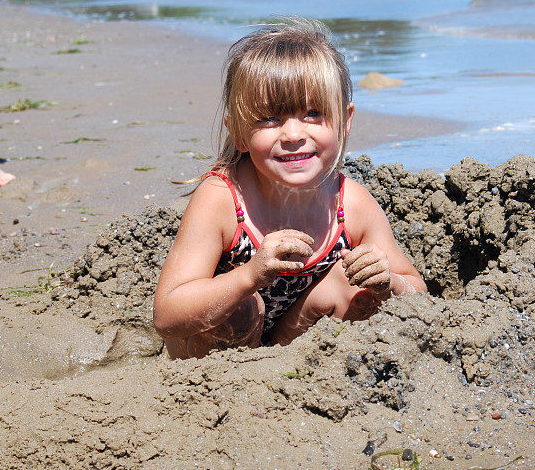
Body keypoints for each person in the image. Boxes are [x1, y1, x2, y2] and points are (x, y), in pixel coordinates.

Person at [153, 19, 426, 359]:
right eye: (269, 119)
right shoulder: (222, 199)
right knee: (244, 308)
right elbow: (166, 315)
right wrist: (250, 276)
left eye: (313, 113)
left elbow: (417, 291)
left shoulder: (349, 203)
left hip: (291, 340)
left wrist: (388, 281)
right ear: (238, 133)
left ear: (345, 121)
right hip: (212, 351)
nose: (293, 135)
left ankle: (297, 372)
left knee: (359, 288)